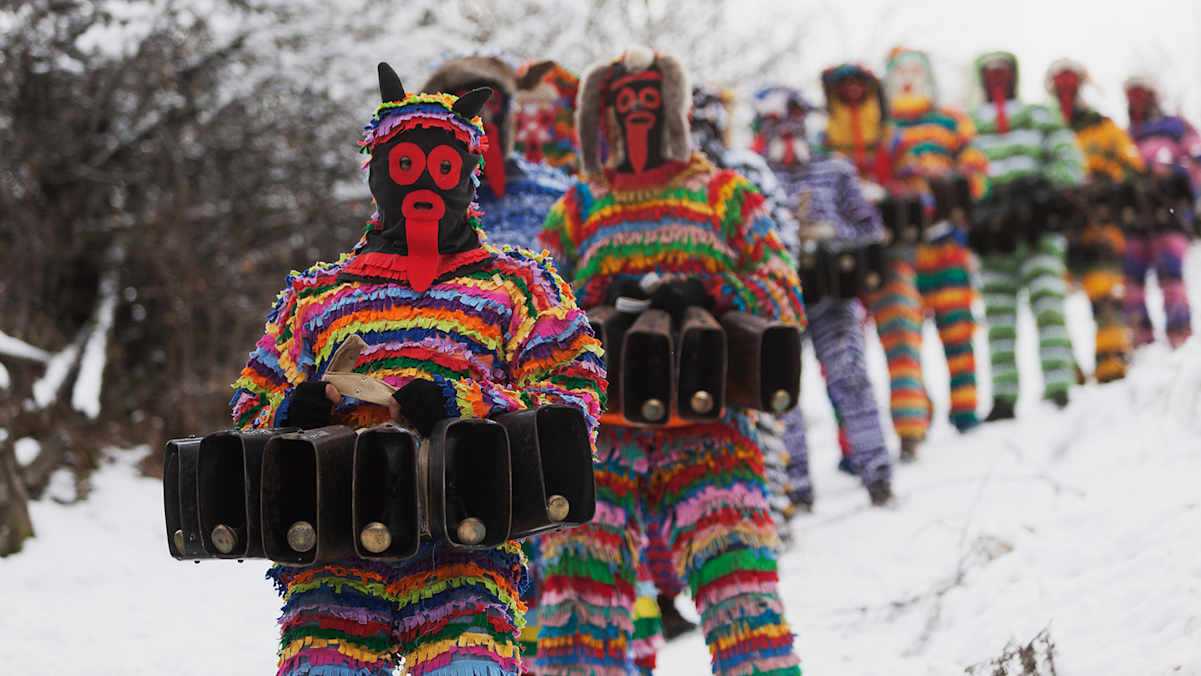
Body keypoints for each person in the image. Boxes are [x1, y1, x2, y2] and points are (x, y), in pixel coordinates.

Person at [229, 63, 605, 676]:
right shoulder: (317, 296)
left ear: (469, 177)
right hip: (333, 547)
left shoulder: (517, 286)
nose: (423, 184)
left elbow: (576, 393)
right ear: (377, 174)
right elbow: (251, 402)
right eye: (405, 166)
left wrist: (468, 402)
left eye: (443, 168)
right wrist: (293, 410)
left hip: (468, 544)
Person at [534, 46, 805, 676]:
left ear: (673, 109)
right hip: (606, 437)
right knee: (579, 597)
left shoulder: (723, 195)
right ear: (600, 113)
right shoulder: (580, 204)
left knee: (742, 589)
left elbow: (782, 288)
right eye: (622, 102)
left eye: (649, 101)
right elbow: (538, 306)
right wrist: (597, 305)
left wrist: (712, 293)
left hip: (711, 427)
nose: (635, 114)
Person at [752, 84, 894, 504]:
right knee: (783, 395)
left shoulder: (835, 170)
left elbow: (870, 227)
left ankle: (877, 473)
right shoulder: (752, 176)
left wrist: (835, 241)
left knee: (851, 378)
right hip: (779, 304)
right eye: (777, 121)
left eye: (794, 118)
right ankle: (794, 488)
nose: (787, 128)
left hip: (833, 299)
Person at [819, 62, 933, 458]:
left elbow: (922, 195)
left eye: (859, 86)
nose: (852, 93)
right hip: (839, 269)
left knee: (902, 340)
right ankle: (855, 446)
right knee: (842, 355)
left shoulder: (892, 140)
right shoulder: (822, 143)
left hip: (890, 258)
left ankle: (911, 429)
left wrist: (885, 194)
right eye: (843, 87)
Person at [969, 51, 1084, 419]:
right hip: (994, 236)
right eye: (991, 73)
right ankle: (1004, 396)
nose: (998, 78)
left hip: (1038, 230)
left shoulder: (1038, 116)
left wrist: (1043, 191)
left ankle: (1059, 385)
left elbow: (1069, 159)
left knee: (1048, 305)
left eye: (1004, 71)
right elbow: (958, 173)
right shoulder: (970, 126)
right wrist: (978, 207)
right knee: (998, 317)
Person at [885, 46, 988, 430]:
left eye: (915, 71)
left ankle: (965, 408)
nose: (908, 79)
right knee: (906, 342)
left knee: (958, 331)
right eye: (900, 72)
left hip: (948, 250)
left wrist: (959, 188)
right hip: (904, 255)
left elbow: (977, 170)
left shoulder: (951, 121)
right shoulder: (885, 128)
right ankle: (917, 415)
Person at [1046, 58, 1144, 382]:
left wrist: (1106, 180)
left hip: (1100, 222)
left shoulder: (1103, 126)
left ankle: (1112, 358)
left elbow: (1131, 165)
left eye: (1071, 82)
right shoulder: (1048, 129)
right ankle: (1065, 367)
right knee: (1052, 299)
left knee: (1104, 291)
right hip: (1059, 226)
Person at [422, 56, 573, 252]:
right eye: (466, 102)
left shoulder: (555, 197)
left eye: (491, 102)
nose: (482, 115)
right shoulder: (415, 201)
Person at [1123, 74, 1197, 348]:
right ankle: (1140, 339)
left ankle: (1180, 335)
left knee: (1171, 276)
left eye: (1142, 93)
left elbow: (1195, 161)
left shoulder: (1175, 127)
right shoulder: (1126, 134)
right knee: (1131, 281)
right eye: (1132, 95)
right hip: (1133, 218)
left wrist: (1173, 174)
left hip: (1169, 214)